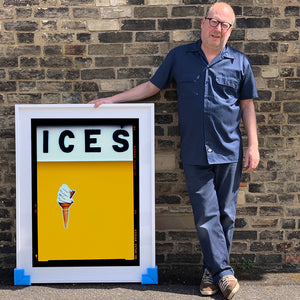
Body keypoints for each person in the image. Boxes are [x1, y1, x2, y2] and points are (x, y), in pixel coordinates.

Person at [89, 2, 259, 299]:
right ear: (203, 22)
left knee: (226, 216)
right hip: (195, 151)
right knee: (207, 216)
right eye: (213, 21)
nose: (218, 29)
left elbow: (247, 106)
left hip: (230, 149)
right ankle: (225, 274)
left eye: (225, 25)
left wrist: (254, 145)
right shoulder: (179, 57)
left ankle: (211, 274)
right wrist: (114, 100)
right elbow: (151, 87)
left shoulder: (240, 62)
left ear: (231, 31)